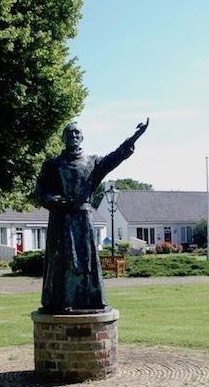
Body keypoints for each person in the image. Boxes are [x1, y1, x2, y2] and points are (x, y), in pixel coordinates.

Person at [36, 119, 148, 313]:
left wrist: (135, 137)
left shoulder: (92, 162)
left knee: (86, 259)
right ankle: (62, 301)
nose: (73, 137)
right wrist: (52, 199)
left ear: (82, 138)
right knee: (63, 260)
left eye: (77, 133)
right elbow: (40, 191)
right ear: (63, 138)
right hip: (61, 220)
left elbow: (115, 157)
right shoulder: (52, 164)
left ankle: (91, 298)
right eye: (69, 134)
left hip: (82, 218)